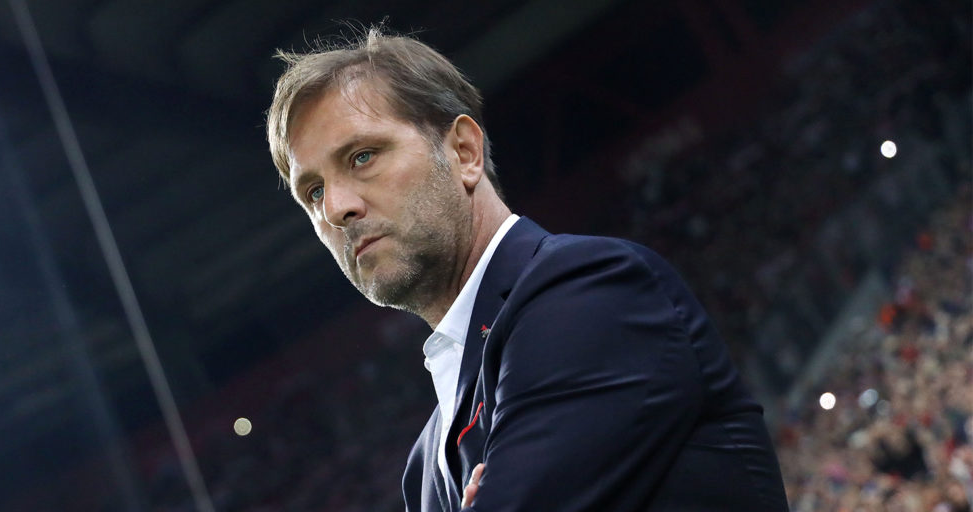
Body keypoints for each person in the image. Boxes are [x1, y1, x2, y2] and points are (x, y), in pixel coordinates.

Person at [264, 26, 789, 511]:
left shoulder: (588, 292)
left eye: (362, 156)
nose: (337, 207)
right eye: (314, 192)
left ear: (464, 152)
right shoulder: (424, 466)